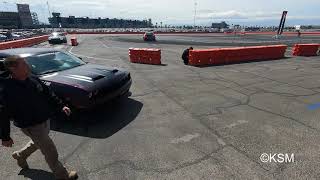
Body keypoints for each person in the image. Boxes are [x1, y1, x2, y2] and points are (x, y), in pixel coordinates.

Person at [0, 55, 78, 180]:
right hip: (30, 125)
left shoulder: (32, 78)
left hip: (44, 119)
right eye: (24, 64)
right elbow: (3, 114)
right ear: (13, 69)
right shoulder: (6, 88)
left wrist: (61, 105)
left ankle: (21, 155)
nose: (28, 66)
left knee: (40, 142)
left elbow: (48, 93)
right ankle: (62, 175)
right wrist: (5, 137)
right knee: (50, 150)